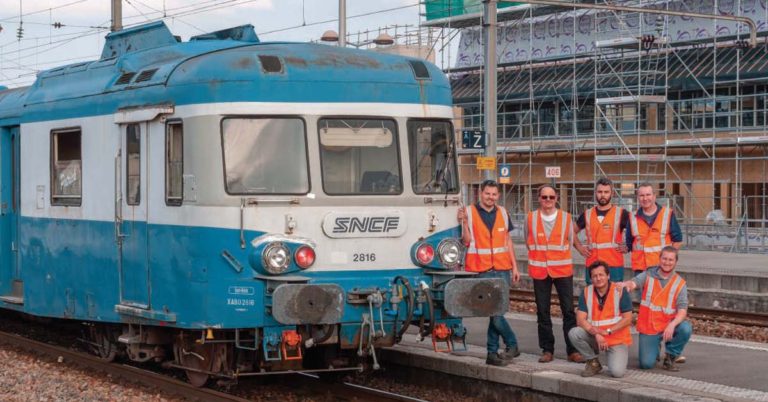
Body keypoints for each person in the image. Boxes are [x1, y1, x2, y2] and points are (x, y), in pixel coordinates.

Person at [458, 179, 521, 367]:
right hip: (481, 269)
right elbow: (466, 241)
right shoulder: (469, 212)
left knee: (496, 313)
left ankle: (492, 354)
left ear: (498, 195)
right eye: (487, 193)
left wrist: (515, 266)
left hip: (502, 269)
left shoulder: (503, 212)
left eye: (494, 194)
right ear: (480, 193)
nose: (490, 197)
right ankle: (512, 344)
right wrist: (464, 223)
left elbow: (508, 241)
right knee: (494, 312)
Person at [526, 184, 584, 363]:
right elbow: (528, 241)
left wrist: (582, 249)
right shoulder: (531, 218)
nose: (548, 200)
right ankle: (547, 350)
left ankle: (573, 350)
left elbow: (571, 240)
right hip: (540, 271)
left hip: (562, 270)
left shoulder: (566, 218)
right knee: (543, 312)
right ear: (539, 199)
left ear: (557, 198)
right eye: (544, 197)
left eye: (551, 197)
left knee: (568, 311)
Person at [617, 246, 692, 371]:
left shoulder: (680, 283)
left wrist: (672, 325)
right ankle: (655, 348)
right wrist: (626, 285)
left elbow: (682, 310)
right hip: (650, 328)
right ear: (659, 259)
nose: (667, 262)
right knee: (646, 364)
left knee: (685, 328)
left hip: (668, 326)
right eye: (664, 259)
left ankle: (670, 356)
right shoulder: (648, 275)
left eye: (670, 260)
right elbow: (634, 282)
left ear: (675, 262)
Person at [568, 261, 633, 378]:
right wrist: (597, 334)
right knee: (574, 333)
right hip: (596, 337)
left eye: (601, 275)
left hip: (616, 339)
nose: (598, 278)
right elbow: (580, 320)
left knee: (617, 373)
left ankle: (612, 354)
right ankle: (593, 362)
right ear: (591, 278)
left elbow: (628, 319)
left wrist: (608, 332)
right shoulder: (587, 292)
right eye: (594, 276)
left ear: (608, 275)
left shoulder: (619, 291)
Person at [574, 178, 631, 284]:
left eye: (606, 192)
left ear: (612, 193)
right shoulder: (587, 214)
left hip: (614, 266)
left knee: (614, 294)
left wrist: (629, 246)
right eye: (600, 192)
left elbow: (638, 230)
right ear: (595, 193)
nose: (603, 195)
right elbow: (570, 232)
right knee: (592, 294)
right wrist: (579, 248)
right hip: (592, 265)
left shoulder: (621, 214)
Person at [627, 182, 683, 275]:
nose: (645, 198)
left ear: (654, 196)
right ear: (638, 197)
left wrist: (668, 262)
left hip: (661, 269)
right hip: (641, 270)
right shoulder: (632, 217)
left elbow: (678, 241)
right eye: (641, 195)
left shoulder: (667, 214)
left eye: (648, 195)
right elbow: (629, 244)